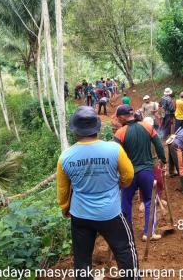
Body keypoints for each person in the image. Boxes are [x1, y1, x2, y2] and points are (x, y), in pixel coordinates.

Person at [57, 106, 139, 280]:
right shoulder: (113, 149)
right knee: (125, 251)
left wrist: (65, 207)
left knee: (82, 260)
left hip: (80, 215)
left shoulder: (65, 157)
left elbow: (63, 190)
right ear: (98, 127)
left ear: (75, 130)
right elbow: (129, 175)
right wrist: (120, 184)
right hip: (110, 213)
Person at [114, 105, 167, 241]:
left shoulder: (120, 133)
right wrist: (163, 160)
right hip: (146, 171)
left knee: (125, 202)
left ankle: (127, 233)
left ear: (121, 117)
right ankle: (148, 233)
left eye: (117, 118)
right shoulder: (148, 127)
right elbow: (159, 145)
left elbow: (115, 155)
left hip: (128, 174)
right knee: (150, 200)